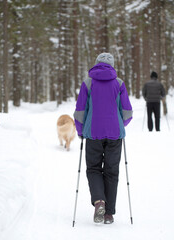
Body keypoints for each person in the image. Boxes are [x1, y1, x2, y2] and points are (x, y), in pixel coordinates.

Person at [73, 53, 133, 224]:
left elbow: (80, 111)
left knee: (93, 169)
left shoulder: (88, 83)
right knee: (112, 171)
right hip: (115, 133)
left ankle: (99, 201)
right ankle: (108, 214)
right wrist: (120, 124)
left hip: (93, 133)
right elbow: (127, 113)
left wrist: (80, 130)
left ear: (96, 64)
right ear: (112, 66)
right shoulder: (119, 83)